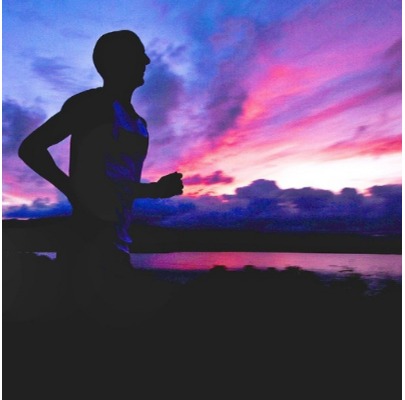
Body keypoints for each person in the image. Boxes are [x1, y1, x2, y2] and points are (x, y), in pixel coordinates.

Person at [18, 30, 184, 267]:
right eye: (139, 54)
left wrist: (156, 190)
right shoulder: (91, 105)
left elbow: (114, 185)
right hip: (87, 244)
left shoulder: (139, 123)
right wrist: (73, 191)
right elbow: (31, 148)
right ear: (117, 61)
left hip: (118, 245)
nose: (146, 61)